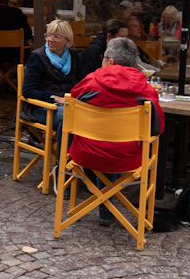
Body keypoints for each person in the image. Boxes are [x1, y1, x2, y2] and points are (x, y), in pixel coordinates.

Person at [70, 37, 164, 225]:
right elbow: (157, 128)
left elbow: (73, 105)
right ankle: (110, 204)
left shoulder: (91, 81)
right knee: (117, 144)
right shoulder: (145, 89)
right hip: (127, 157)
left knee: (103, 141)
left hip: (86, 153)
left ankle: (102, 205)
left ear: (110, 61)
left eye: (103, 58)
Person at [22, 19, 83, 150]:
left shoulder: (73, 56)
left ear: (67, 41)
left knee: (89, 115)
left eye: (56, 36)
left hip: (68, 104)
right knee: (68, 118)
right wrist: (54, 98)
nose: (50, 39)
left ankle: (79, 159)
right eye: (49, 35)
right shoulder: (37, 57)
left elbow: (81, 83)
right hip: (41, 107)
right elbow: (27, 91)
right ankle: (64, 161)